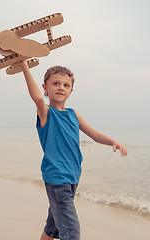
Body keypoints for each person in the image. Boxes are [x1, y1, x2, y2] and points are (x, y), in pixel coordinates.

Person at [13, 60, 128, 240]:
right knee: (71, 232)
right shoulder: (46, 113)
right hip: (57, 178)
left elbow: (95, 135)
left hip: (73, 177)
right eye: (56, 83)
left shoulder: (73, 114)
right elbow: (36, 97)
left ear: (71, 91)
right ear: (45, 87)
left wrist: (113, 141)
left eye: (66, 85)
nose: (61, 87)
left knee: (52, 228)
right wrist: (24, 66)